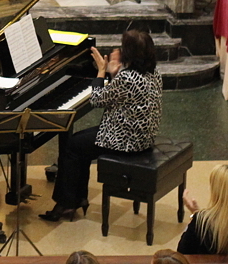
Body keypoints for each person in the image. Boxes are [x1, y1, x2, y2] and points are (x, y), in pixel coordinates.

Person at [40, 29, 162, 222]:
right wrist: (114, 73)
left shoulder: (127, 77)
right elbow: (123, 96)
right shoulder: (153, 72)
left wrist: (101, 70)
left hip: (125, 141)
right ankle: (76, 199)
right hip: (142, 136)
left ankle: (66, 203)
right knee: (80, 145)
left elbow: (97, 100)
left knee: (73, 146)